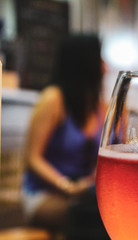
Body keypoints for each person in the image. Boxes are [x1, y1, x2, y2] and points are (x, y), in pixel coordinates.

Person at [21, 34, 107, 235]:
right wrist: (67, 186)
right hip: (44, 194)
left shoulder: (99, 106)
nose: (105, 64)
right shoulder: (53, 99)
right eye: (100, 57)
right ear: (85, 62)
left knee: (106, 211)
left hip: (83, 193)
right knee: (93, 217)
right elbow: (32, 158)